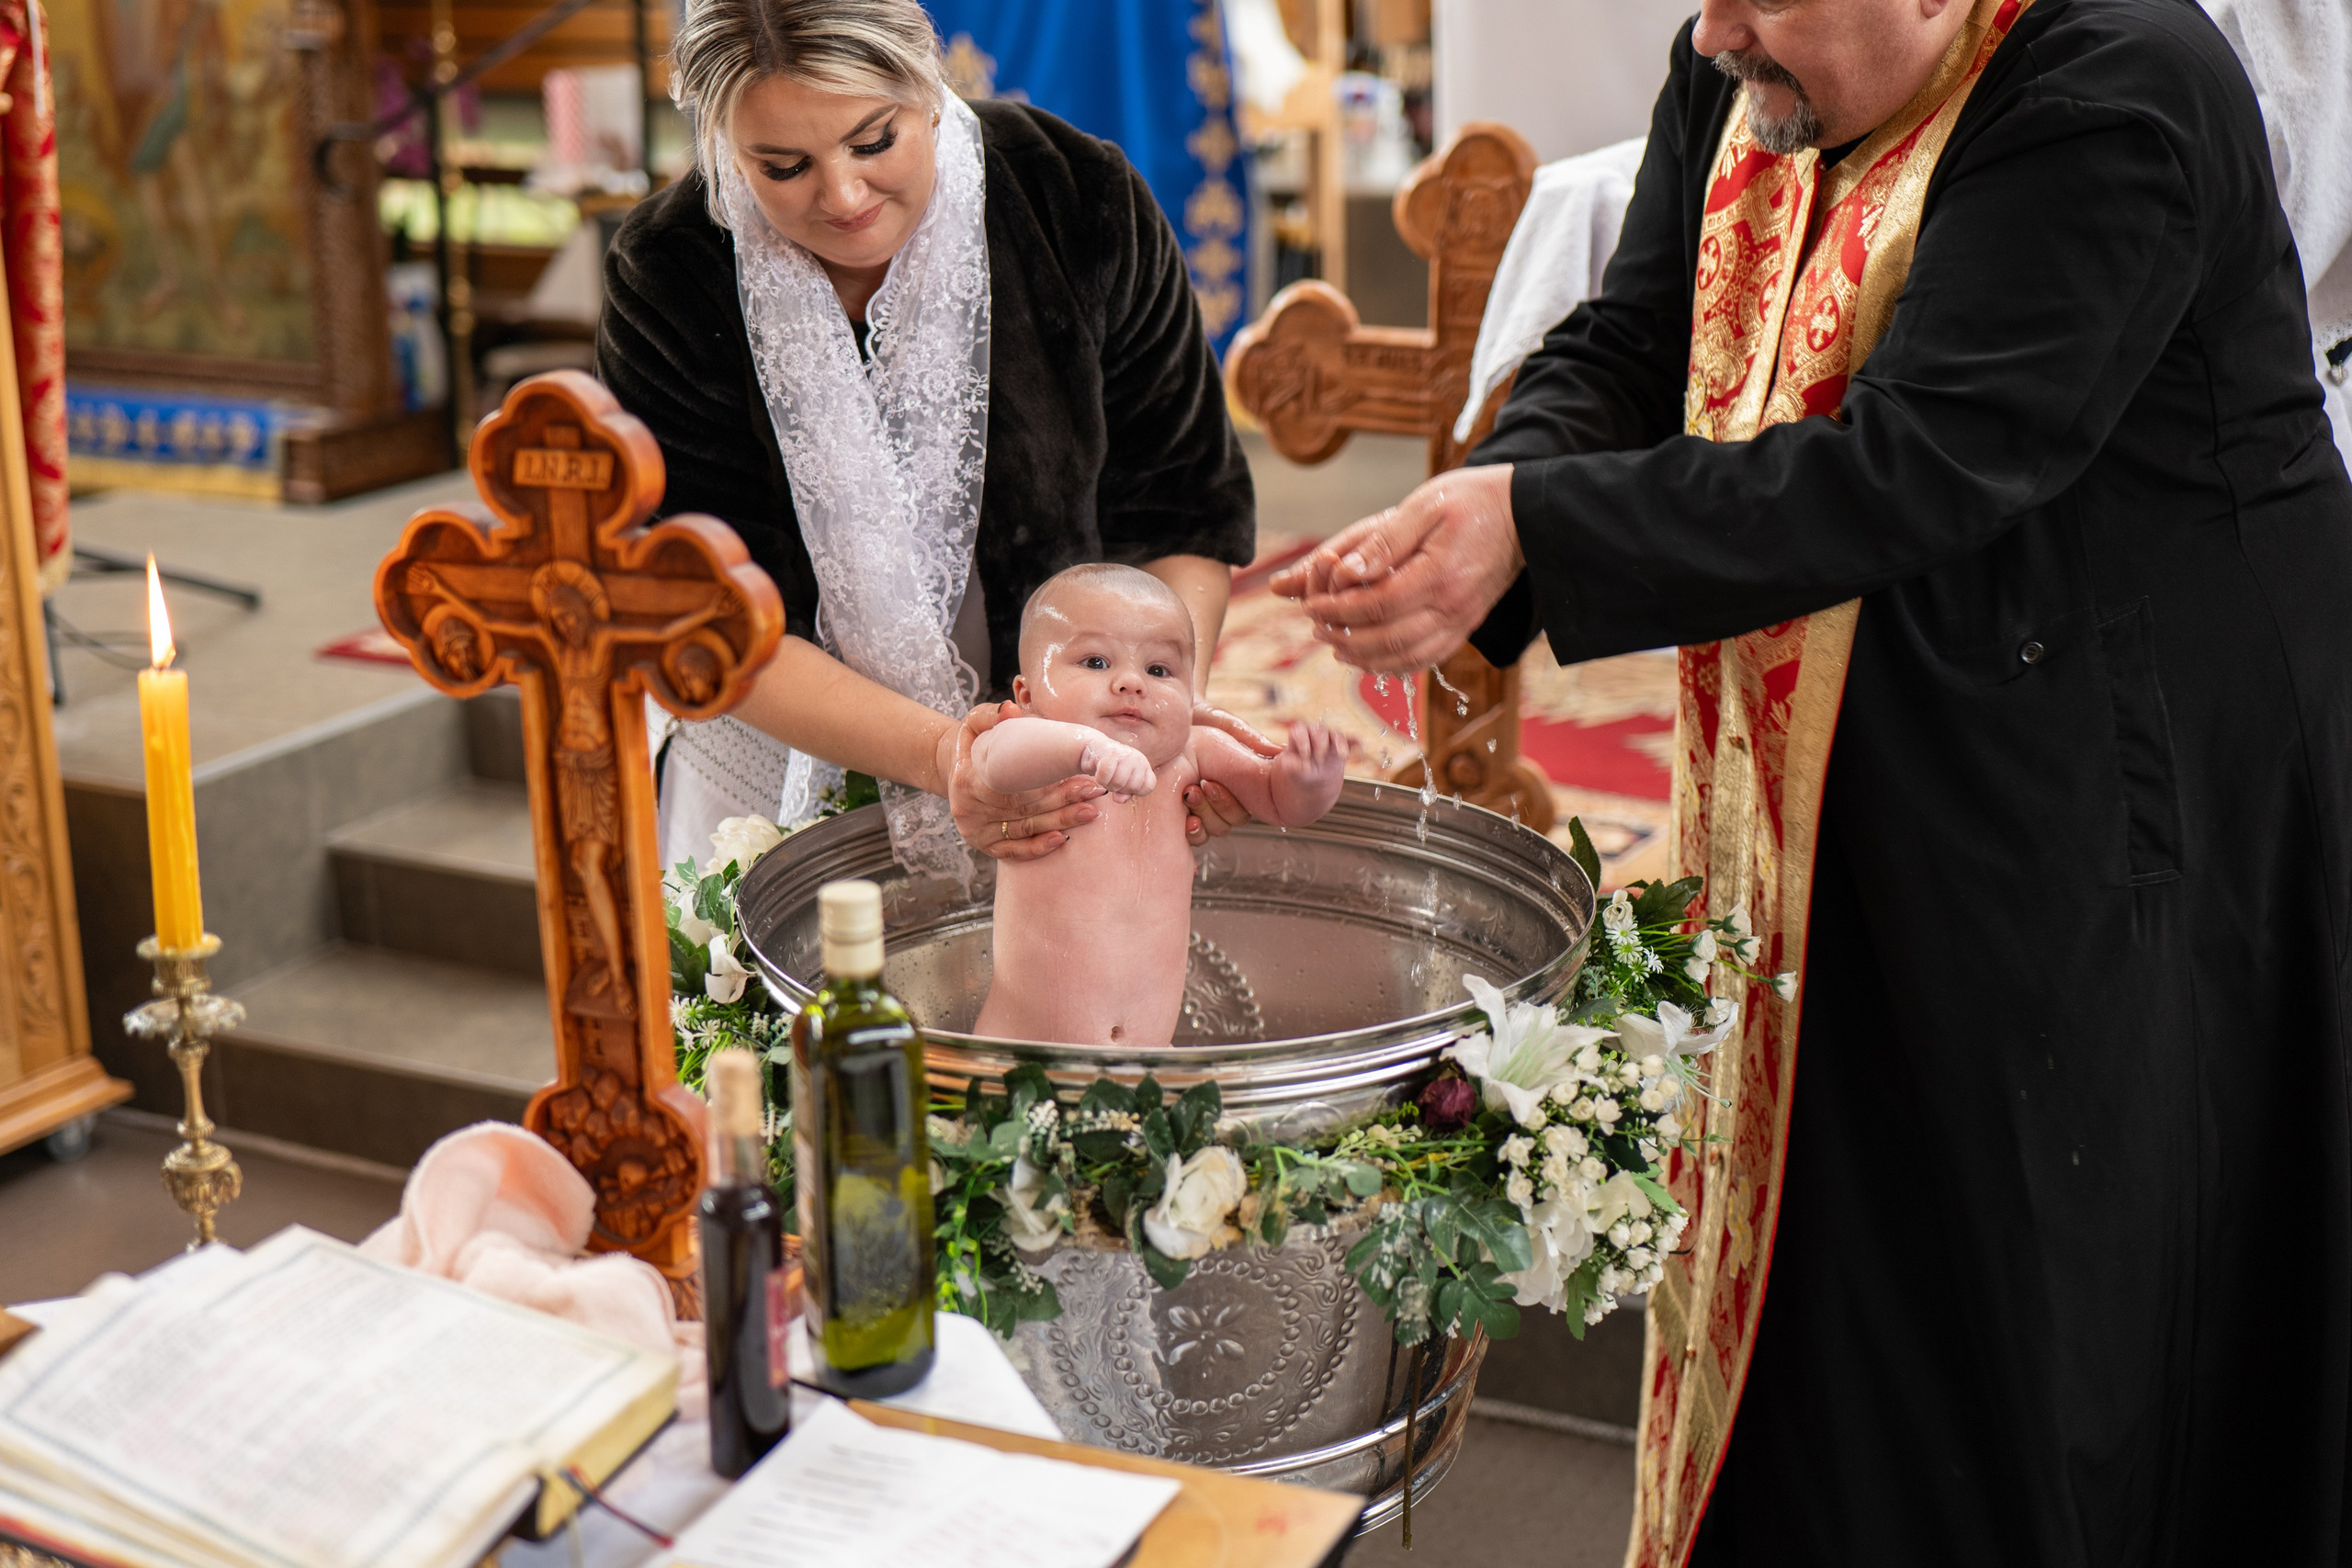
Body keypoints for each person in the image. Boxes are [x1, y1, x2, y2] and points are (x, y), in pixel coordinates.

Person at [1272, 0, 2352, 1562]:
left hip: (2114, 788)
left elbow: (1922, 464)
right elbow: (1637, 336)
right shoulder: (1753, 50)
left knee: (2027, 1293)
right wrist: (1504, 488)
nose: (1714, 33)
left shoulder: (2116, 83)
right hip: (1861, 745)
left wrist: (1544, 536)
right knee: (1827, 1247)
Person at [596, 0, 1267, 882]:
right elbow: (710, 612)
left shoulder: (1074, 194)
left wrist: (1159, 703)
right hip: (778, 763)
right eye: (783, 165)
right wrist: (950, 756)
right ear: (722, 140)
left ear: (928, 81)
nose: (842, 197)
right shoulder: (670, 273)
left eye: (875, 141)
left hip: (1078, 755)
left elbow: (1181, 509)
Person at [970, 566, 1345, 1047]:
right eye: (1096, 663)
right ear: (1027, 696)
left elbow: (1277, 799)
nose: (1132, 683)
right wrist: (1088, 750)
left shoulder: (1192, 752)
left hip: (1149, 1063)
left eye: (1159, 670)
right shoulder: (1035, 747)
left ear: (1190, 696)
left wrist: (1309, 780)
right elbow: (992, 761)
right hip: (1020, 1058)